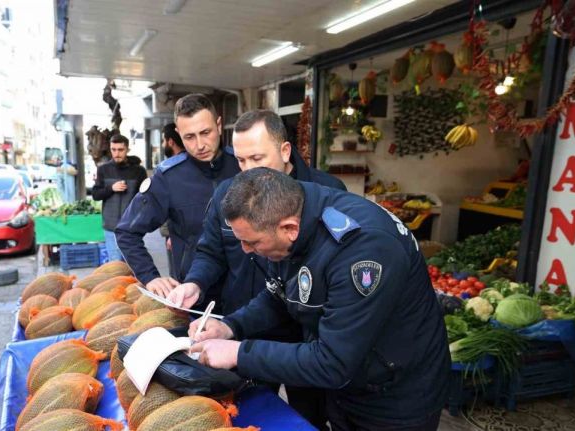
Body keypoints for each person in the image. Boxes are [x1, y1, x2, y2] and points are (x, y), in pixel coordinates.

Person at [188, 168, 450, 431]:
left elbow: (333, 362)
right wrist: (231, 326)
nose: (246, 250)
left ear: (289, 228)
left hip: (395, 399)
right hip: (350, 385)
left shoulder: (362, 250)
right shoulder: (293, 215)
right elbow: (279, 295)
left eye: (252, 243)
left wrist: (238, 353)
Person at [166, 109, 344, 429]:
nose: (247, 171)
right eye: (241, 160)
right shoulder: (229, 195)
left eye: (257, 158)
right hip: (243, 326)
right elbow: (210, 251)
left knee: (305, 417)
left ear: (285, 151)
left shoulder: (325, 193)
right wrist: (194, 283)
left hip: (302, 339)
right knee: (244, 413)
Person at [115, 93, 240, 310]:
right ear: (179, 134)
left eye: (206, 132)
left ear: (219, 125)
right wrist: (150, 276)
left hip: (249, 296)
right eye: (189, 137)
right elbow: (127, 231)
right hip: (196, 299)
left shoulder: (242, 165)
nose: (200, 145)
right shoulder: (168, 177)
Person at [92, 134, 148, 262]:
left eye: (120, 150)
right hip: (111, 227)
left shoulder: (138, 171)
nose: (117, 153)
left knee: (133, 265)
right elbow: (95, 194)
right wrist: (111, 188)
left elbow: (146, 198)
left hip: (132, 227)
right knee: (116, 265)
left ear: (127, 149)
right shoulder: (103, 169)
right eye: (113, 149)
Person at [158, 123, 186, 276]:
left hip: (178, 234)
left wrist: (171, 234)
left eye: (163, 140)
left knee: (177, 276)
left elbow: (173, 204)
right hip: (178, 233)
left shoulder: (168, 169)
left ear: (170, 142)